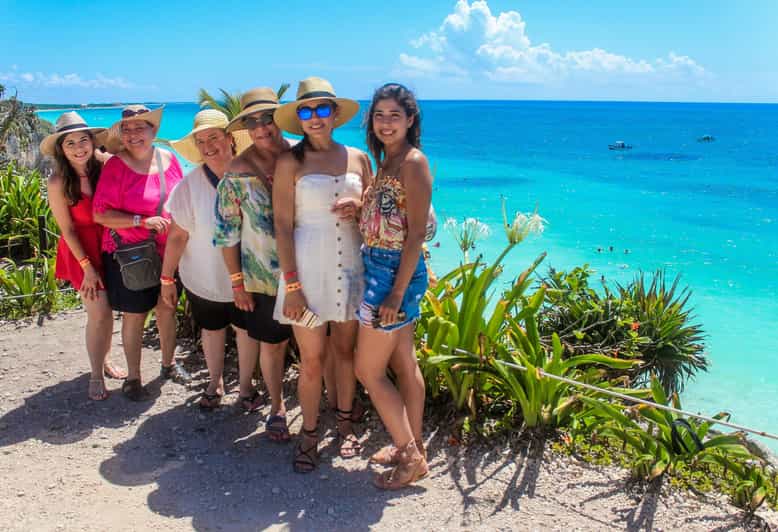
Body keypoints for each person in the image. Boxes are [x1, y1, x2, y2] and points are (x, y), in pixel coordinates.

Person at [273, 77, 371, 472]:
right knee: (311, 360)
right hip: (307, 273)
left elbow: (381, 212)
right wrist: (292, 286)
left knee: (345, 352)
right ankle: (310, 432)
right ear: (299, 118)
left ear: (335, 115)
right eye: (306, 111)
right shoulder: (289, 162)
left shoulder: (359, 158)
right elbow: (281, 225)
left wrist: (362, 206)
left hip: (351, 267)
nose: (315, 117)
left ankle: (346, 422)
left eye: (322, 109)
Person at [354, 83, 432, 489]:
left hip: (393, 274)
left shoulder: (413, 162)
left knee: (367, 369)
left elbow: (416, 233)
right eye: (379, 115)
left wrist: (396, 294)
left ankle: (409, 456)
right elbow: (389, 217)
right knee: (403, 363)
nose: (386, 123)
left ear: (410, 120)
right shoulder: (387, 161)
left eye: (394, 116)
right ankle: (413, 442)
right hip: (380, 264)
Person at [92, 105, 191, 401]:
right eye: (127, 129)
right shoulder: (116, 166)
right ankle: (133, 377)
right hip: (130, 254)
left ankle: (168, 363)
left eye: (140, 128)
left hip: (168, 251)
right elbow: (101, 214)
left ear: (154, 131)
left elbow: (182, 198)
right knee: (135, 315)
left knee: (167, 308)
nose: (134, 135)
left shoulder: (169, 159)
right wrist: (140, 221)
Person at [213, 87, 293, 439]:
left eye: (268, 118)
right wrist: (236, 282)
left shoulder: (303, 155)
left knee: (316, 348)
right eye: (253, 121)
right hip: (262, 279)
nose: (261, 128)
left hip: (310, 274)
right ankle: (277, 405)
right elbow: (226, 233)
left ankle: (328, 409)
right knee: (272, 344)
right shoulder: (237, 170)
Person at [160, 109, 253, 409]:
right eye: (201, 141)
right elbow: (177, 236)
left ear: (230, 138)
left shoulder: (251, 174)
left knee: (246, 330)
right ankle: (215, 381)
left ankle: (246, 386)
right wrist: (166, 278)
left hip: (249, 275)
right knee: (211, 330)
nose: (208, 146)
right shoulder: (189, 185)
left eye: (214, 137)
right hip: (203, 277)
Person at [41, 112, 127, 401]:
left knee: (109, 310)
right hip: (80, 252)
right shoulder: (57, 182)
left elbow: (129, 157)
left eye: (83, 140)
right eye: (70, 144)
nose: (79, 148)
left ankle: (105, 358)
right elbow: (66, 229)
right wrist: (87, 267)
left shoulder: (104, 164)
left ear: (92, 142)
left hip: (109, 246)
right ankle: (95, 374)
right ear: (61, 150)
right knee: (99, 313)